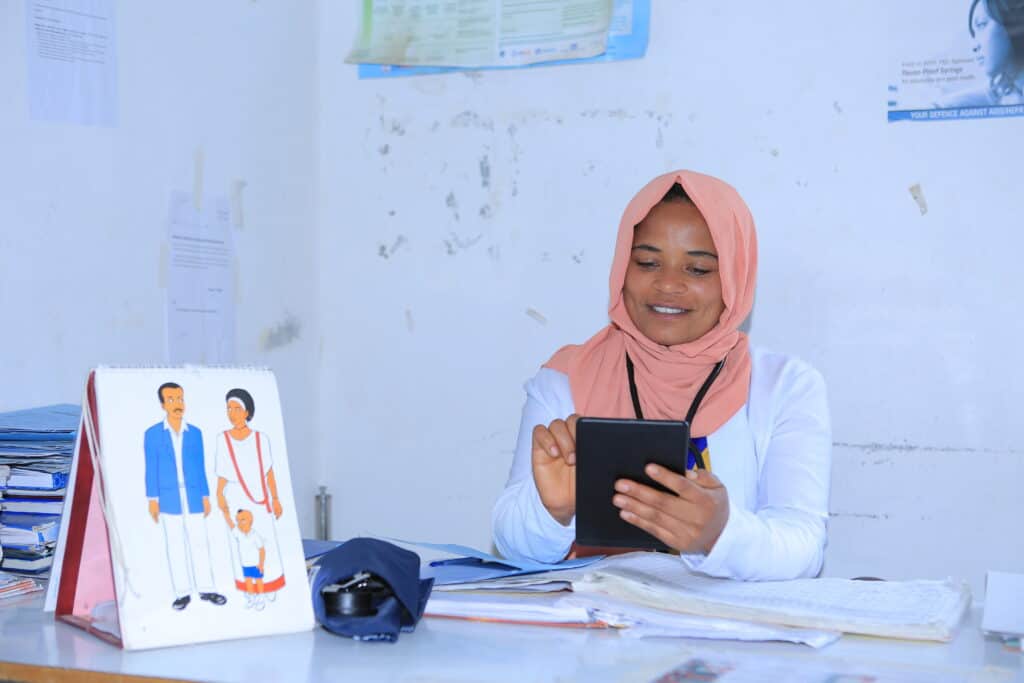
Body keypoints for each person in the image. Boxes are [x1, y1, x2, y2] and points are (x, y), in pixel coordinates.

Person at [492, 170, 831, 581]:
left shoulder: (785, 387)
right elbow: (513, 549)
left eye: (699, 270)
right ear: (622, 268)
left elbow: (804, 547)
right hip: (594, 634)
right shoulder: (566, 381)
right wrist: (550, 510)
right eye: (648, 262)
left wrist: (721, 534)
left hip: (725, 636)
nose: (668, 284)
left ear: (735, 280)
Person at [144, 382, 227, 610]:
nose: (177, 404)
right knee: (175, 544)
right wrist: (153, 499)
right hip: (168, 496)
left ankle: (207, 589)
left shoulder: (195, 433)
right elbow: (151, 468)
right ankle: (182, 593)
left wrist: (205, 495)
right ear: (163, 404)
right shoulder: (153, 434)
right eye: (171, 399)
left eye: (179, 398)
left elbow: (200, 466)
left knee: (200, 542)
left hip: (192, 495)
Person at [215, 388, 287, 597]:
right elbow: (222, 474)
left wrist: (275, 498)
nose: (232, 413)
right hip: (236, 498)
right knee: (242, 547)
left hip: (260, 499)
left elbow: (269, 471)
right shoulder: (223, 439)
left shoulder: (260, 439)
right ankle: (249, 590)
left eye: (237, 408)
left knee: (265, 544)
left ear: (247, 412)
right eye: (229, 408)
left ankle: (270, 586)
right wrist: (220, 496)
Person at [938, 0, 1024, 107]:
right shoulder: (1002, 90)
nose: (974, 46)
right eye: (974, 34)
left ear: (1012, 22)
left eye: (981, 25)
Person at [231, 509, 267, 610]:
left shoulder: (255, 535)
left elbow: (262, 550)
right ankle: (251, 597)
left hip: (255, 564)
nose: (239, 523)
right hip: (245, 564)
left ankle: (261, 597)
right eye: (237, 521)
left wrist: (261, 564)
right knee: (248, 581)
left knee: (258, 580)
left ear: (250, 520)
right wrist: (225, 513)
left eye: (242, 520)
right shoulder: (238, 534)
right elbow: (230, 524)